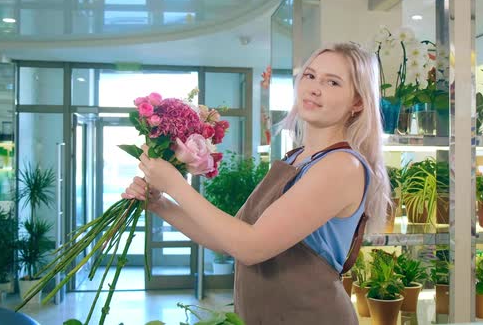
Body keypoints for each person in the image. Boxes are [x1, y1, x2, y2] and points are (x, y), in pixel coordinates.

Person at [122, 42, 390, 325]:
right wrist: (160, 203)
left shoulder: (341, 165)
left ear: (358, 102)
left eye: (332, 82)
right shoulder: (295, 158)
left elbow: (251, 248)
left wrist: (176, 185)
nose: (313, 87)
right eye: (310, 76)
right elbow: (227, 241)